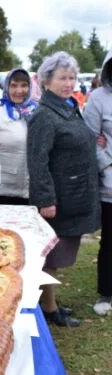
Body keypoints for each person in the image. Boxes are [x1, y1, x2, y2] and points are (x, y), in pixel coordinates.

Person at [27, 51, 100, 327]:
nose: (68, 83)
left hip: (74, 194)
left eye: (71, 78)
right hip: (58, 198)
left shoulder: (69, 107)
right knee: (51, 258)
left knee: (59, 257)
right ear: (47, 81)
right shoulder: (44, 115)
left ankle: (50, 302)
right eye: (62, 78)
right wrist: (45, 199)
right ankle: (48, 308)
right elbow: (37, 161)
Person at [83, 50, 112, 316]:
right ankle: (107, 292)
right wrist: (106, 164)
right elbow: (90, 137)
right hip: (110, 181)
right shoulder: (98, 99)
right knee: (110, 239)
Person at [0, 68, 38, 205]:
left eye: (24, 85)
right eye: (13, 85)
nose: (19, 91)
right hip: (1, 190)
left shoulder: (38, 111)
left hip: (32, 190)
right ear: (6, 86)